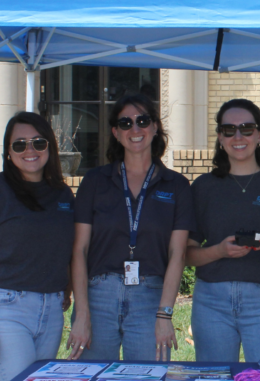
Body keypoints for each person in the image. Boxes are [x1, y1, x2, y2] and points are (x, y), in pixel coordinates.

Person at [70, 93, 193, 362]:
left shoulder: (177, 185)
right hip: (98, 296)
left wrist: (164, 315)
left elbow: (178, 254)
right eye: (125, 123)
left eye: (142, 121)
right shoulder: (95, 181)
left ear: (155, 127)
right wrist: (82, 314)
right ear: (115, 132)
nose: (135, 129)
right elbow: (79, 250)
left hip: (150, 297)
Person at [0, 112, 75, 381]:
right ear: (8, 152)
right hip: (5, 310)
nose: (30, 150)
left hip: (51, 312)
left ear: (50, 147)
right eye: (19, 144)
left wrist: (67, 289)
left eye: (38, 142)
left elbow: (67, 250)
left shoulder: (62, 195)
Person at [186, 99, 260, 362]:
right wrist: (218, 251)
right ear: (220, 137)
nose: (238, 136)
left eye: (247, 128)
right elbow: (187, 254)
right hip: (211, 300)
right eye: (229, 130)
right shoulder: (203, 187)